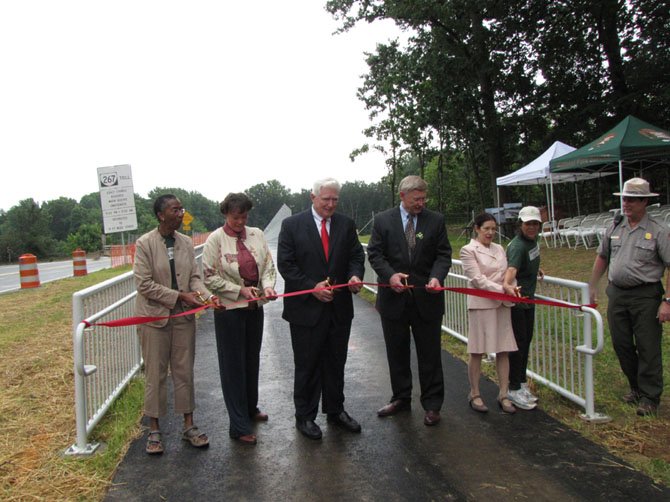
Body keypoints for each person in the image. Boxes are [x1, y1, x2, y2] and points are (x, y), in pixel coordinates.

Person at [277, 178, 365, 440]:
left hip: (339, 308)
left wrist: (354, 275)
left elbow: (356, 256)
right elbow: (286, 264)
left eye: (335, 200)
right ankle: (304, 416)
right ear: (312, 197)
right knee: (307, 364)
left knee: (336, 362)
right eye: (326, 199)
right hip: (305, 310)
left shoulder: (346, 224)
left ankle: (335, 411)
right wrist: (311, 287)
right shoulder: (291, 225)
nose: (330, 204)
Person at [134, 194, 221, 455]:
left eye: (182, 209)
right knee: (155, 374)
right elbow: (143, 284)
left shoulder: (185, 242)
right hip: (154, 319)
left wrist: (207, 297)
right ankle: (155, 429)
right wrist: (178, 296)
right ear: (161, 215)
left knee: (184, 372)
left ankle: (189, 426)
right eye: (175, 209)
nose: (181, 213)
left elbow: (194, 278)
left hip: (183, 318)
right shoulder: (144, 244)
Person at [367, 175, 452, 426]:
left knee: (430, 355)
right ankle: (401, 398)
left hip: (428, 299)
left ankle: (433, 404)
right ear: (402, 196)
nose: (421, 203)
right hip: (394, 300)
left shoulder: (436, 220)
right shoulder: (383, 220)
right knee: (397, 352)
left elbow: (443, 255)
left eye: (424, 198)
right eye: (416, 199)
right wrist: (390, 276)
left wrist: (437, 277)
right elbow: (375, 254)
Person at [588, 178, 670, 416]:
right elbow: (602, 256)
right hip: (617, 294)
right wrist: (592, 285)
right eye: (624, 198)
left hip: (646, 295)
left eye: (632, 199)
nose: (626, 203)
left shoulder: (657, 231)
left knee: (648, 346)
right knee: (621, 343)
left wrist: (667, 302)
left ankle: (650, 396)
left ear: (645, 201)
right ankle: (636, 387)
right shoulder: (615, 227)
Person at [202, 193, 278, 445]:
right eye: (235, 217)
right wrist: (239, 291)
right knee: (233, 366)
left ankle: (250, 408)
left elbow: (267, 265)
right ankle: (238, 425)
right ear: (226, 214)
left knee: (251, 360)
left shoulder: (256, 234)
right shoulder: (215, 239)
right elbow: (209, 276)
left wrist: (267, 287)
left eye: (244, 217)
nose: (240, 222)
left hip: (254, 308)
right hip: (229, 310)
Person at [460, 213, 518, 414]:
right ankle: (474, 393)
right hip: (482, 304)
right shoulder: (468, 250)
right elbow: (477, 279)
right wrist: (503, 289)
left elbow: (507, 275)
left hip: (502, 304)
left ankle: (504, 393)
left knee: (504, 349)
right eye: (486, 228)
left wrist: (511, 286)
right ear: (477, 228)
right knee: (477, 350)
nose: (491, 233)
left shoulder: (500, 248)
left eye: (494, 229)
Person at [503, 206, 544, 411]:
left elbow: (528, 261)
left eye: (535, 223)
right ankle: (513, 387)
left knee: (526, 341)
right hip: (518, 303)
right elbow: (510, 272)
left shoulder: (532, 242)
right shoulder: (518, 246)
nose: (532, 227)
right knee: (518, 344)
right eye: (528, 223)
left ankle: (521, 382)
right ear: (520, 224)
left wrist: (536, 270)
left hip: (529, 301)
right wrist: (509, 287)